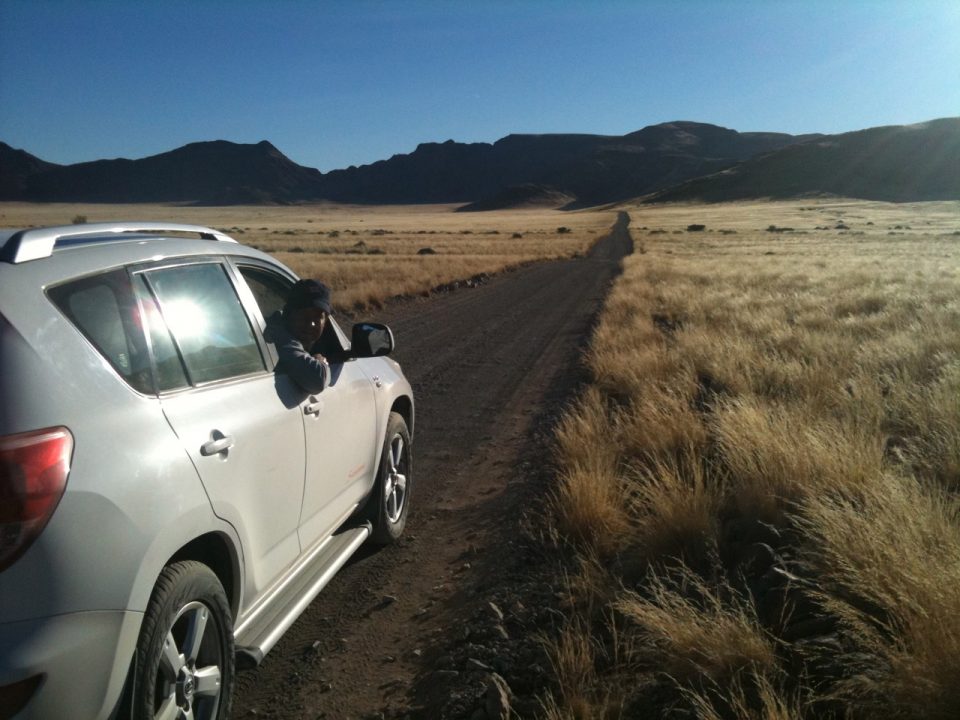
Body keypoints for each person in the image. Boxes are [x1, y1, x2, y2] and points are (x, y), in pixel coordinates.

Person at [264, 279, 333, 393]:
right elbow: (317, 380)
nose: (311, 324)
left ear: (325, 322)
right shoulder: (278, 336)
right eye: (304, 315)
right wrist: (321, 362)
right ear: (288, 314)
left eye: (317, 317)